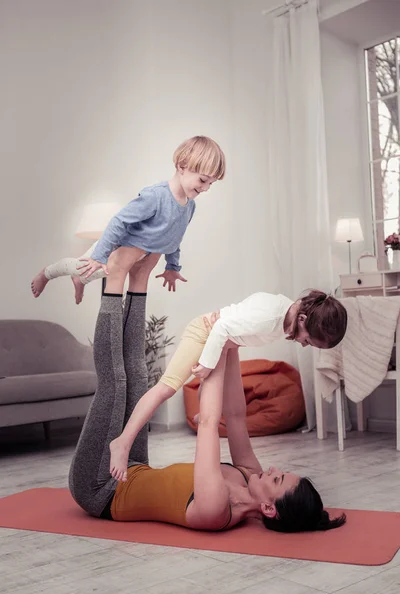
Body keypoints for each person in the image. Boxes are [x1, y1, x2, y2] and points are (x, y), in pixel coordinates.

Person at [68, 289, 346, 533]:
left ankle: (115, 286)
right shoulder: (251, 474)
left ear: (268, 509)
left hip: (101, 488)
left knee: (116, 382)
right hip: (132, 469)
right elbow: (236, 416)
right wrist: (231, 345)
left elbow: (210, 421)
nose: (272, 468)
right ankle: (138, 282)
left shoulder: (216, 509)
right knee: (138, 377)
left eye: (277, 478)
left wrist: (220, 340)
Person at [109, 289, 347, 481]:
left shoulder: (288, 313)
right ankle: (122, 442)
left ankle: (206, 403)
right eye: (308, 340)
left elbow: (244, 310)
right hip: (206, 333)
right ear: (303, 319)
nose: (304, 345)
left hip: (226, 343)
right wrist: (206, 365)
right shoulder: (271, 317)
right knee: (167, 388)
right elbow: (220, 327)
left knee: (236, 410)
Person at [31, 135, 226, 303]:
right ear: (182, 166)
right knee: (80, 267)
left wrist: (172, 266)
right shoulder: (155, 196)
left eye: (211, 183)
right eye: (202, 180)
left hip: (138, 256)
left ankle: (79, 280)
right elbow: (119, 221)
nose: (206, 188)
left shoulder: (189, 206)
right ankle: (47, 273)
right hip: (114, 247)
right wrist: (99, 256)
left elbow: (174, 238)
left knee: (88, 275)